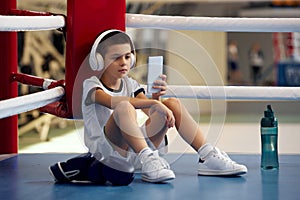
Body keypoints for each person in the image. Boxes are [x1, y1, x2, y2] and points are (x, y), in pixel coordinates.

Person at [49, 29, 247, 184]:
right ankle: (149, 159)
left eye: (127, 56)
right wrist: (151, 102)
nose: (123, 62)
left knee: (172, 103)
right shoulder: (91, 85)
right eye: (116, 57)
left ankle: (207, 156)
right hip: (109, 154)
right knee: (124, 108)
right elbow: (113, 102)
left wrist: (157, 100)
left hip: (137, 153)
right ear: (99, 60)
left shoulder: (131, 84)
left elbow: (152, 111)